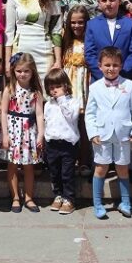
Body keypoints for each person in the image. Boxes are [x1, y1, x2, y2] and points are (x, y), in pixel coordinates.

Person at [85, 46, 132, 219]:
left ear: (121, 65)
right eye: (107, 65)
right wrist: (92, 133)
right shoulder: (95, 87)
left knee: (122, 168)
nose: (111, 69)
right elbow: (90, 113)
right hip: (102, 135)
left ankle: (126, 202)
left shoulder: (130, 85)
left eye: (115, 65)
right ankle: (97, 204)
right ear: (100, 66)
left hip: (123, 134)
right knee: (101, 168)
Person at [0, 52, 45, 212]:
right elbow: (4, 112)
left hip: (29, 131)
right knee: (13, 165)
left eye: (26, 71)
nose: (22, 74)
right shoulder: (10, 89)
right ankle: (15, 197)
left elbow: (40, 114)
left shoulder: (36, 92)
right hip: (13, 130)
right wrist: (5, 135)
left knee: (29, 166)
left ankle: (29, 197)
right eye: (19, 71)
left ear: (32, 71)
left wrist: (41, 134)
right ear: (14, 71)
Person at [4, 0, 63, 78]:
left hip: (45, 53)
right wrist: (7, 62)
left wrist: (58, 60)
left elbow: (56, 31)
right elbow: (9, 32)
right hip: (20, 53)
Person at [84, 0, 132, 82]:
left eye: (112, 0)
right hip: (100, 80)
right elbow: (89, 54)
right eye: (104, 0)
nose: (108, 3)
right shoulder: (91, 25)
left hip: (124, 78)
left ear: (119, 0)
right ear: (99, 2)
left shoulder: (130, 24)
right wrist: (103, 75)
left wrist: (120, 73)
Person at [43, 68, 80, 215]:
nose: (54, 91)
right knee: (54, 172)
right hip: (52, 143)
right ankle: (58, 195)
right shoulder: (48, 104)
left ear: (65, 85)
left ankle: (69, 198)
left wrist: (62, 99)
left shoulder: (73, 102)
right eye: (51, 88)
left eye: (58, 87)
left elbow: (71, 117)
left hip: (67, 144)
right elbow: (48, 121)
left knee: (67, 173)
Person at [61, 5, 91, 174]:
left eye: (81, 22)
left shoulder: (90, 40)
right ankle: (69, 160)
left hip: (83, 86)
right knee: (68, 125)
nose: (77, 26)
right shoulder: (65, 41)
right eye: (73, 22)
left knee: (83, 125)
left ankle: (84, 160)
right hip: (68, 86)